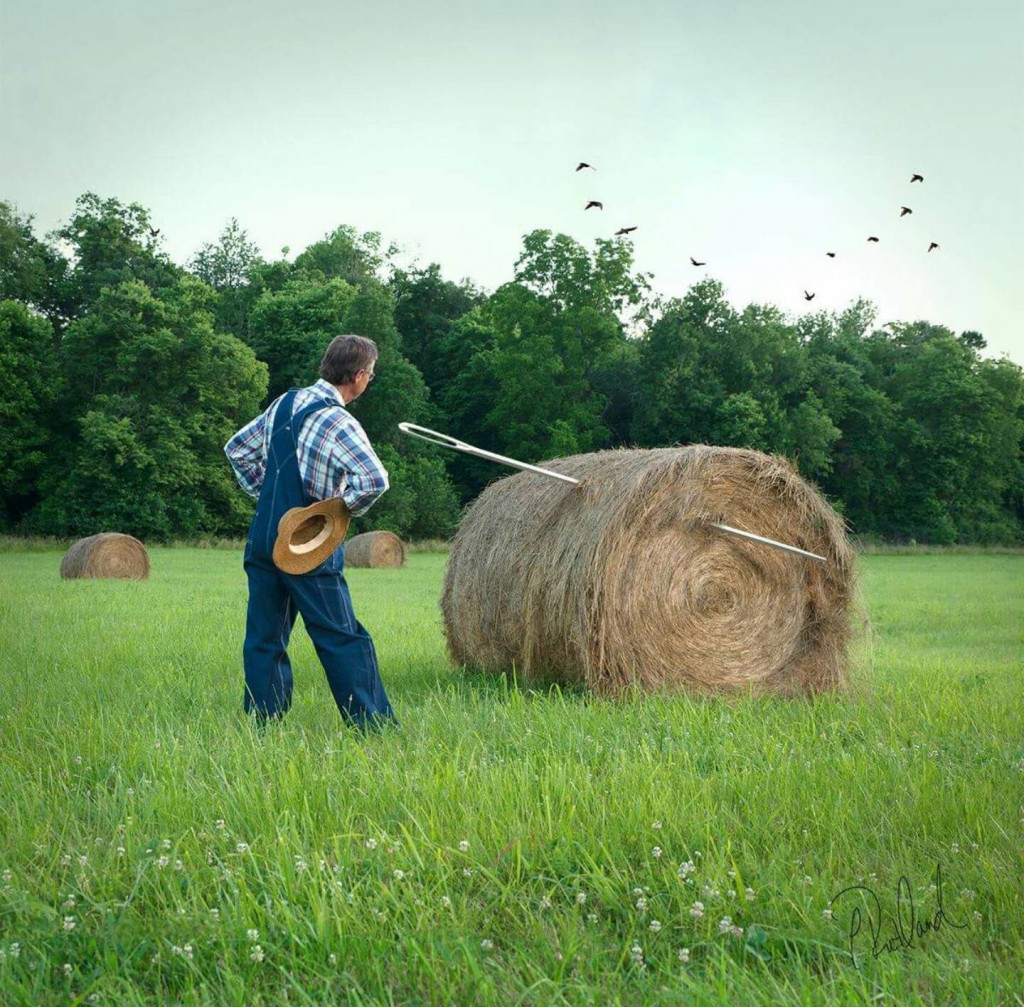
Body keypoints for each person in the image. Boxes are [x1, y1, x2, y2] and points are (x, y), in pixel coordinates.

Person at [224, 334, 397, 730]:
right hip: (308, 546)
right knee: (342, 637)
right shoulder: (338, 420)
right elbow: (374, 480)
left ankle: (263, 724)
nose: (369, 380)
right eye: (370, 374)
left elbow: (236, 449)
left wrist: (265, 494)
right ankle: (374, 727)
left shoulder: (284, 402)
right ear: (357, 376)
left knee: (264, 638)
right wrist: (334, 513)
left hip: (265, 536)